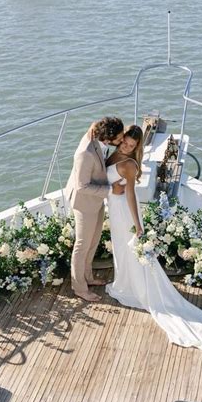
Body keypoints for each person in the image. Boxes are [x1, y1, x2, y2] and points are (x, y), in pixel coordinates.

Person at [105, 125, 202, 356]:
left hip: (125, 212)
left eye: (131, 146)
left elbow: (131, 194)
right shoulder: (114, 153)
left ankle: (133, 286)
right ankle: (124, 281)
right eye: (125, 142)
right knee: (120, 249)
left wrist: (138, 226)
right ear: (121, 138)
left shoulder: (129, 165)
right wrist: (111, 187)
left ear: (136, 148)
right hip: (114, 208)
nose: (126, 147)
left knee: (128, 249)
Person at [66, 117, 125, 302]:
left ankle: (88, 277)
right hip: (84, 203)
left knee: (93, 242)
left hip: (96, 201)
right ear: (107, 138)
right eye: (119, 138)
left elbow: (94, 124)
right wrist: (111, 190)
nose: (122, 140)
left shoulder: (98, 137)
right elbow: (81, 186)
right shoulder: (85, 154)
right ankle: (79, 288)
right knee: (82, 246)